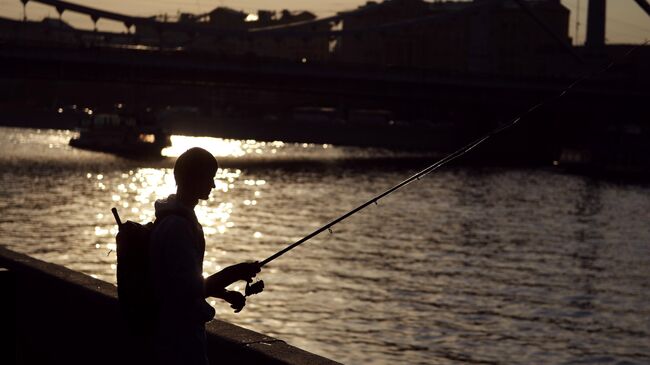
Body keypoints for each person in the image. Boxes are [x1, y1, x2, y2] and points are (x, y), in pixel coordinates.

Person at [149, 147, 261, 365]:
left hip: (172, 332)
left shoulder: (174, 217)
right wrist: (235, 272)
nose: (213, 185)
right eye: (209, 178)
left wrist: (225, 293)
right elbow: (188, 289)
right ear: (194, 178)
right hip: (177, 338)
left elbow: (181, 280)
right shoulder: (177, 227)